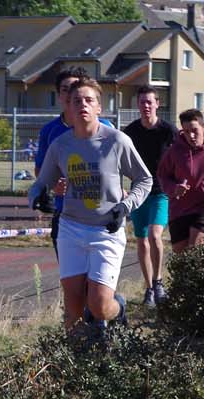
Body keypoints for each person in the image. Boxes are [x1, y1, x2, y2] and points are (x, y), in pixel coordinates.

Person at [29, 75, 154, 338]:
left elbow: (144, 180)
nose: (82, 105)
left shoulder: (116, 141)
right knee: (73, 307)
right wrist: (39, 197)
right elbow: (41, 184)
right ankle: (74, 364)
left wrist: (125, 206)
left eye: (89, 100)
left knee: (98, 305)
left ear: (99, 107)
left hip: (106, 230)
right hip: (71, 228)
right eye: (77, 101)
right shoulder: (60, 144)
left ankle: (118, 309)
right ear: (68, 107)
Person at [32, 69, 115, 252]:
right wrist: (54, 186)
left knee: (97, 277)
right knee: (71, 276)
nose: (71, 94)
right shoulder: (50, 131)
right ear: (60, 96)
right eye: (65, 89)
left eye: (75, 88)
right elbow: (41, 171)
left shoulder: (106, 129)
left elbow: (118, 168)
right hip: (66, 211)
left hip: (100, 212)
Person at [121, 87, 176, 305]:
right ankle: (149, 288)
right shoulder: (130, 131)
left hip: (161, 191)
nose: (146, 106)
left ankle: (159, 281)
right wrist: (121, 187)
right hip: (138, 192)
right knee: (141, 240)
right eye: (142, 102)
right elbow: (117, 159)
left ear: (157, 104)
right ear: (138, 105)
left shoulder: (168, 131)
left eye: (149, 102)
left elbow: (181, 157)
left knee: (155, 235)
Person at [156, 108, 204, 254]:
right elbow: (162, 176)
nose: (191, 136)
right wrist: (174, 188)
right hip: (179, 210)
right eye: (186, 132)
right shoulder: (174, 151)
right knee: (181, 258)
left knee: (196, 252)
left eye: (194, 130)